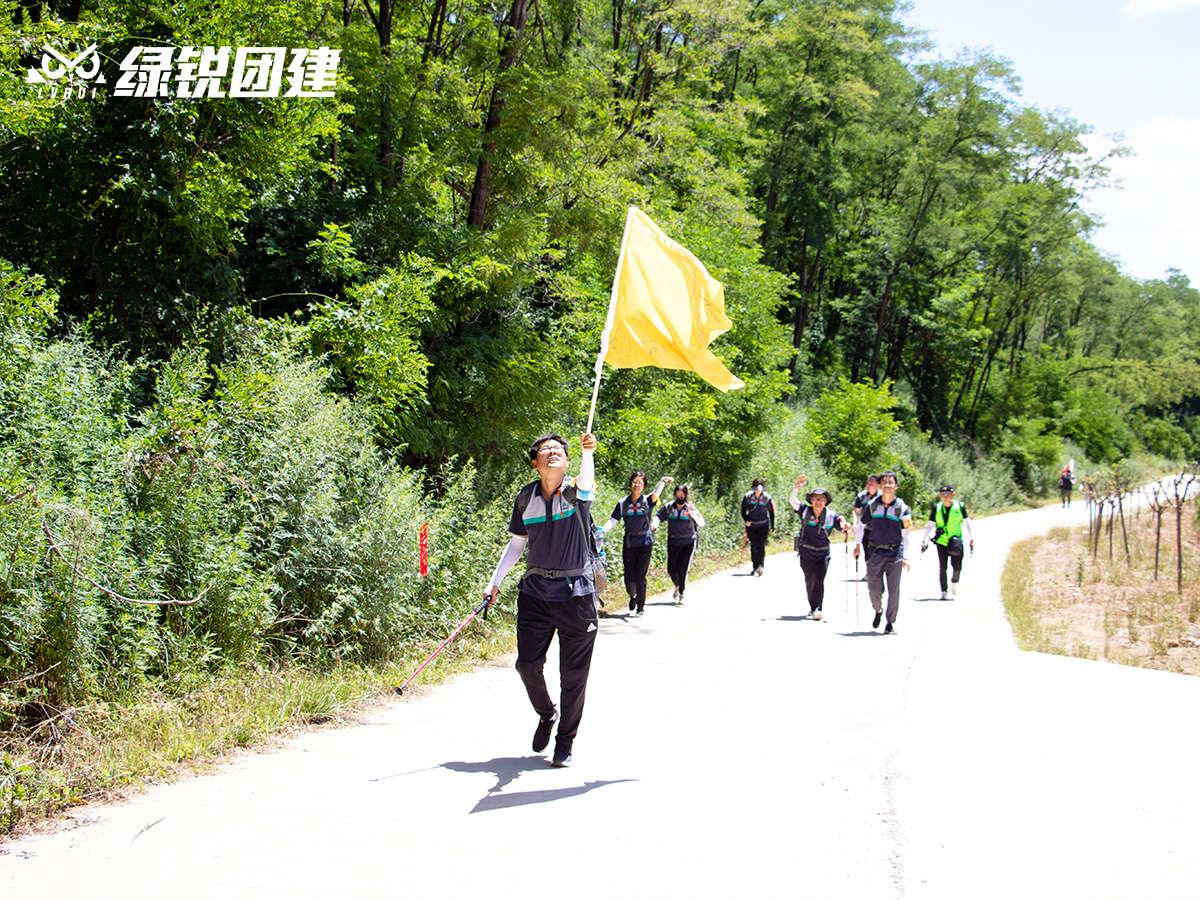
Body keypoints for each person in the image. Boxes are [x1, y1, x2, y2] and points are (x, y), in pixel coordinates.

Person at [485, 432, 599, 768]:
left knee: (574, 675)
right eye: (546, 450)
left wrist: (587, 453)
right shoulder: (525, 498)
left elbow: (587, 478)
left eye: (559, 450)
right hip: (535, 593)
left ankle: (565, 742)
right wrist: (495, 581)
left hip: (576, 595)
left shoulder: (577, 492)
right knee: (527, 665)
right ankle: (547, 713)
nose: (553, 452)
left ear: (567, 462)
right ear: (535, 463)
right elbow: (518, 545)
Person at [601, 472, 672, 616]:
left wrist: (662, 481)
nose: (636, 484)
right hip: (629, 542)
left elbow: (656, 493)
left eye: (640, 482)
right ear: (630, 484)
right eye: (634, 481)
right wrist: (601, 532)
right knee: (629, 577)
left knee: (640, 575)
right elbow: (613, 521)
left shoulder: (648, 501)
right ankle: (632, 596)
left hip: (645, 542)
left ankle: (641, 606)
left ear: (644, 486)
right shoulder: (622, 503)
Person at [854, 472, 912, 634]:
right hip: (876, 551)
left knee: (894, 590)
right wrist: (858, 546)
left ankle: (890, 622)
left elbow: (907, 534)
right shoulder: (872, 505)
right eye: (884, 482)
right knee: (874, 588)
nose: (887, 485)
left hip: (895, 552)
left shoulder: (902, 507)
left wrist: (906, 556)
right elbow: (861, 526)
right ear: (879, 486)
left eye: (890, 482)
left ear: (895, 486)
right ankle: (878, 610)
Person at [788, 475, 849, 620]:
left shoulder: (831, 516)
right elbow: (792, 501)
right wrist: (796, 487)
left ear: (826, 501)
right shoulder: (804, 511)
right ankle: (812, 606)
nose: (818, 501)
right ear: (811, 500)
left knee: (819, 580)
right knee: (809, 579)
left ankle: (817, 608)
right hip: (806, 552)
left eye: (822, 499)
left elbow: (842, 523)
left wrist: (846, 526)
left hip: (823, 554)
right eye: (816, 498)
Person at [921, 484, 975, 600]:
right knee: (943, 567)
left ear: (952, 495)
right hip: (942, 541)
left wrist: (971, 538)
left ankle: (954, 581)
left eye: (947, 495)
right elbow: (930, 524)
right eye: (942, 495)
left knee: (957, 566)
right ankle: (943, 591)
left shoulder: (959, 507)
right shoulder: (937, 507)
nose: (945, 497)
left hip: (955, 541)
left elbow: (967, 523)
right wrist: (924, 539)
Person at [655, 483, 705, 603]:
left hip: (688, 542)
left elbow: (702, 523)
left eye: (682, 495)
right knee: (671, 569)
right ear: (674, 495)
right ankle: (677, 585)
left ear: (686, 495)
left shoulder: (691, 508)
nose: (680, 497)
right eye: (678, 495)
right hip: (673, 541)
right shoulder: (669, 507)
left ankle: (682, 591)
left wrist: (693, 513)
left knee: (683, 568)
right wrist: (654, 524)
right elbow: (658, 516)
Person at [740, 477, 775, 576]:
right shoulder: (747, 497)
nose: (758, 491)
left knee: (761, 545)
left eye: (759, 489)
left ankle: (760, 566)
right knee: (754, 545)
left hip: (763, 525)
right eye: (756, 489)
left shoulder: (767, 498)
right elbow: (743, 511)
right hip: (752, 525)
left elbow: (771, 512)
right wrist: (746, 520)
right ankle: (755, 567)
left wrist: (773, 526)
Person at [852, 475, 882, 571]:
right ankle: (869, 572)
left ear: (878, 485)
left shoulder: (881, 497)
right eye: (868, 483)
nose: (868, 486)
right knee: (867, 550)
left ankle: (879, 571)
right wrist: (854, 523)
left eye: (871, 484)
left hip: (879, 529)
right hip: (865, 528)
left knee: (878, 551)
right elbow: (855, 511)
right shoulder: (861, 496)